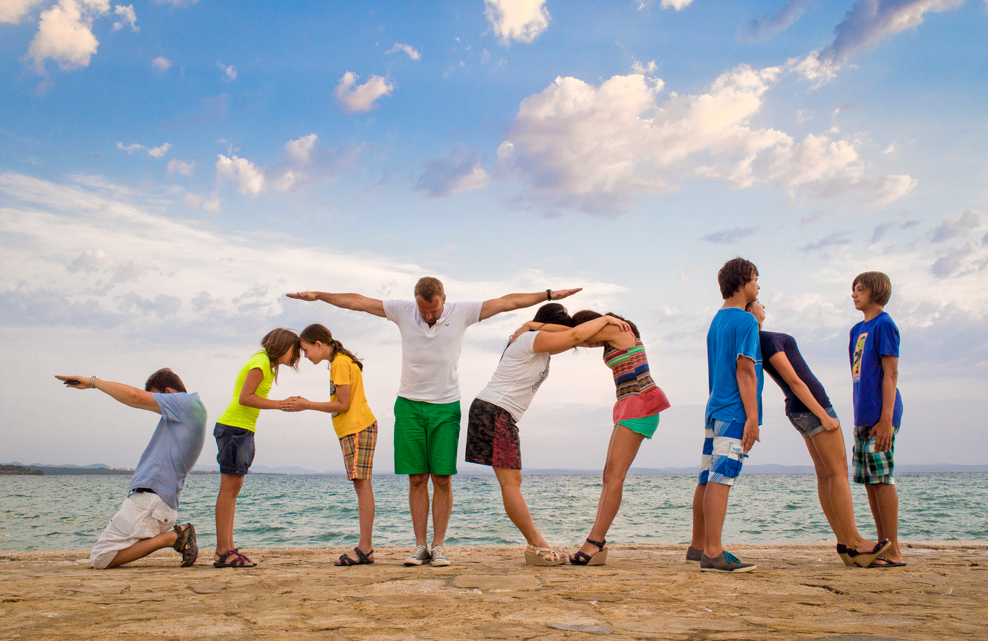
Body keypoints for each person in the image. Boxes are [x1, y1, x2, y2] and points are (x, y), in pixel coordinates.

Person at [287, 278, 581, 567]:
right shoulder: (403, 310)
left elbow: (507, 302)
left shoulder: (461, 312)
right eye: (423, 310)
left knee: (442, 478)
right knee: (416, 479)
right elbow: (357, 302)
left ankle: (438, 545)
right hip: (408, 406)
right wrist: (319, 295)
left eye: (434, 310)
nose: (428, 316)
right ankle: (420, 546)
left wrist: (548, 294)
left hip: (446, 406)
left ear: (444, 299)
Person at [465, 304, 632, 566]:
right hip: (495, 410)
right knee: (511, 483)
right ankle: (537, 546)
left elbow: (581, 339)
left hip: (497, 412)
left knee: (512, 481)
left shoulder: (535, 338)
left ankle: (537, 545)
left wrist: (604, 332)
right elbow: (576, 336)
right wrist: (607, 318)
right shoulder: (531, 339)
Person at [748, 300, 891, 568]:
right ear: (748, 310)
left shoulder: (758, 340)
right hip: (811, 407)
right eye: (757, 302)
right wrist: (824, 415)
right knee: (837, 474)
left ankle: (845, 544)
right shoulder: (765, 340)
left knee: (826, 475)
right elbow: (793, 380)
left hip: (799, 409)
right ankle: (855, 543)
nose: (763, 304)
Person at [55, 369, 206, 569]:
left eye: (155, 396)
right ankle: (174, 537)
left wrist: (93, 382)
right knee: (106, 554)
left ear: (169, 393)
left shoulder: (185, 403)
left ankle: (173, 538)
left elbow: (134, 397)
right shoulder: (189, 410)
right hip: (158, 499)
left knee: (101, 557)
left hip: (151, 498)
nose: (153, 403)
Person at [564, 310, 671, 566]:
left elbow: (573, 334)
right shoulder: (609, 336)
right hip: (628, 406)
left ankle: (596, 542)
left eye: (587, 340)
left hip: (641, 404)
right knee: (608, 476)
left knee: (614, 478)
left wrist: (602, 321)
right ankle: (595, 542)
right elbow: (574, 335)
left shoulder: (618, 330)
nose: (587, 344)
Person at [282, 324, 379, 566]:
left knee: (363, 487)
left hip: (357, 428)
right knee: (362, 486)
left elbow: (342, 404)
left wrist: (307, 404)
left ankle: (365, 548)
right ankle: (365, 547)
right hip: (354, 429)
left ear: (318, 344)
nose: (305, 356)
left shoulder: (339, 363)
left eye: (305, 350)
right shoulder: (340, 361)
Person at [688, 257, 762, 573]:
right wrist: (752, 418)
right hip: (733, 411)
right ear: (744, 281)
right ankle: (714, 552)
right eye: (757, 280)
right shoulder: (745, 323)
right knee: (722, 477)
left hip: (714, 408)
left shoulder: (718, 320)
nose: (758, 286)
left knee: (707, 477)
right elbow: (745, 370)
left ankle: (698, 545)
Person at [213, 328, 300, 568]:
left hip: (241, 429)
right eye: (295, 351)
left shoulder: (266, 364)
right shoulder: (260, 363)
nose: (296, 358)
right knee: (228, 490)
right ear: (283, 346)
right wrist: (280, 404)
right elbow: (245, 397)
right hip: (234, 429)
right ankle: (223, 551)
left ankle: (228, 549)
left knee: (233, 490)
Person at [850, 271, 906, 567]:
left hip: (881, 415)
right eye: (853, 289)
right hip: (864, 414)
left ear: (875, 292)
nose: (854, 294)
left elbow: (891, 373)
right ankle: (883, 546)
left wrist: (886, 419)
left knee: (882, 478)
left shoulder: (885, 325)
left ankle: (894, 549)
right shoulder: (856, 330)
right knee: (870, 480)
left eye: (859, 289)